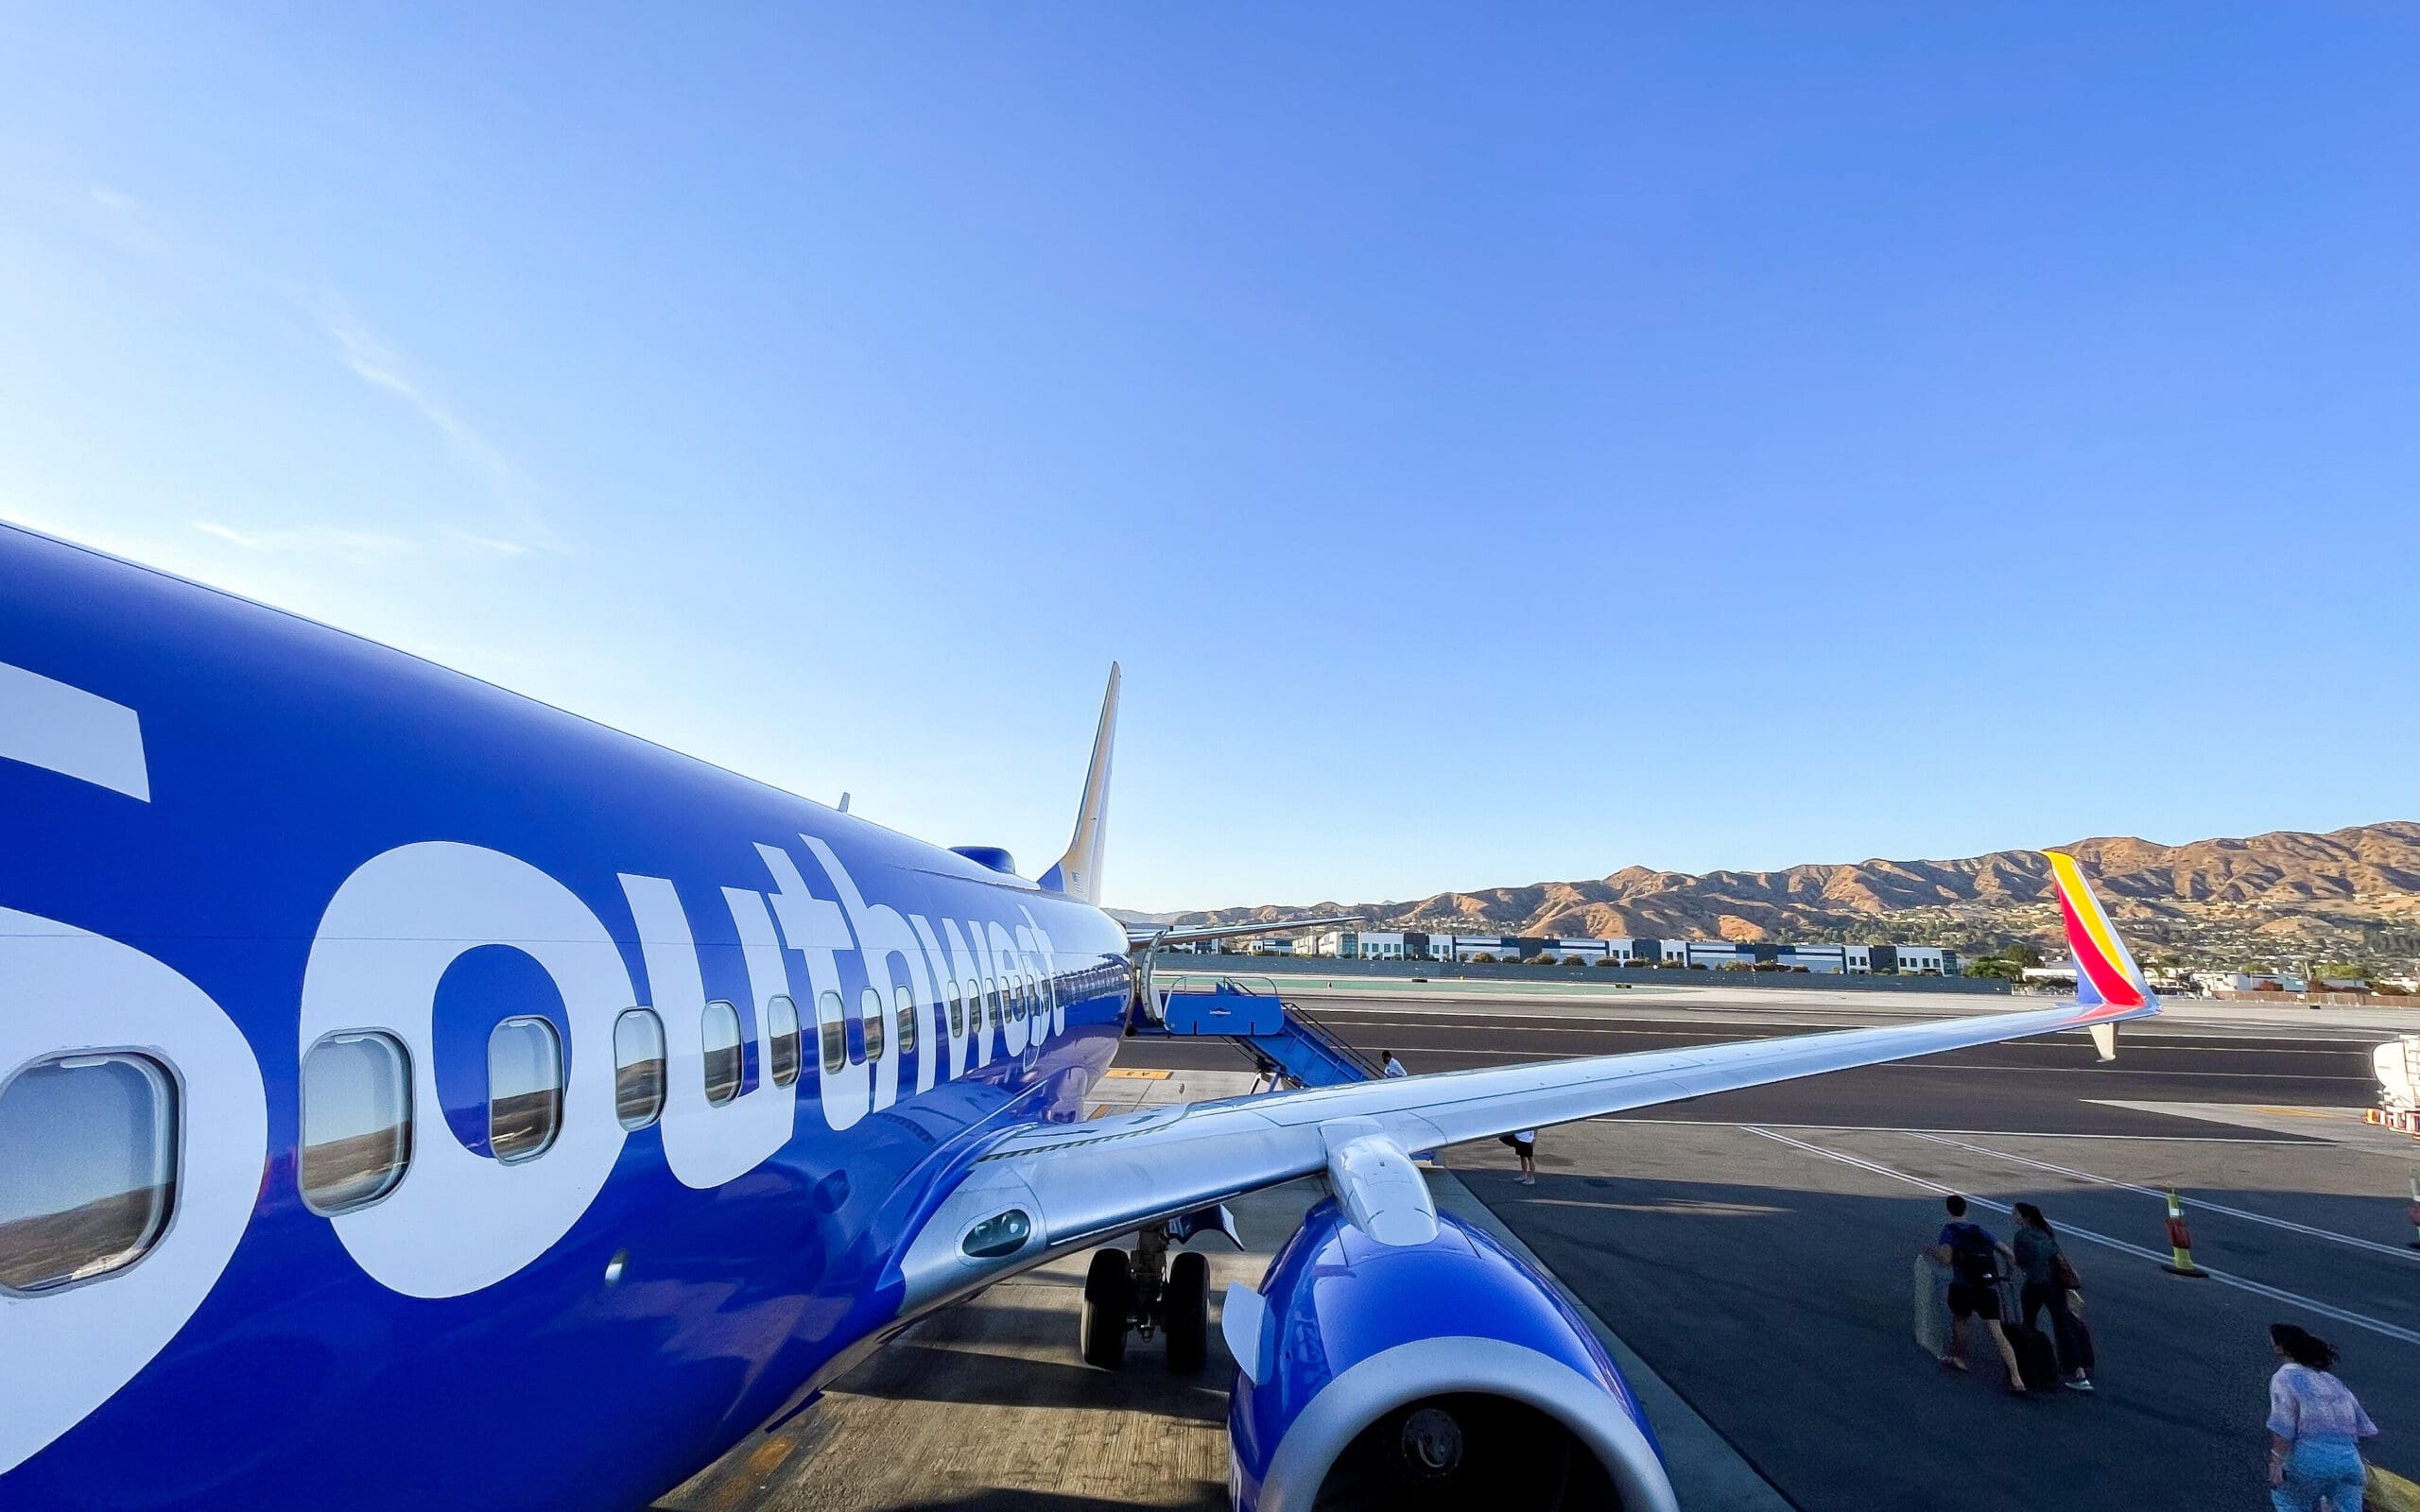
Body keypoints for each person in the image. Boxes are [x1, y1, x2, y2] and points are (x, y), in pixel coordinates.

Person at [2266, 1322, 2377, 1511]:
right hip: (2349, 1461)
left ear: (2280, 1348)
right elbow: (2364, 1428)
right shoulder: (2332, 1381)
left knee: (2289, 1502)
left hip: (2309, 1459)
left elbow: (2283, 1426)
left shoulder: (2284, 1378)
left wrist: (2276, 1462)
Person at [1929, 1194, 2026, 1395]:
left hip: (1963, 1286)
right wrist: (2007, 1274)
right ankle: (2017, 1378)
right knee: (1997, 1333)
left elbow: (1946, 1260)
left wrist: (1932, 1253)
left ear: (1949, 1210)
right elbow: (2008, 1253)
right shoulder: (1979, 1230)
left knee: (1960, 1321)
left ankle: (1961, 1358)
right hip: (1986, 1287)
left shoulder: (1949, 1231)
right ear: (1966, 1210)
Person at [2012, 1202, 2093, 1392]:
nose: (2013, 1216)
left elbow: (2020, 1261)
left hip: (2035, 1284)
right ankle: (2078, 1371)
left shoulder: (2022, 1236)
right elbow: (2056, 1255)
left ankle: (2031, 1364)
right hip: (2055, 1285)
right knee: (2063, 1325)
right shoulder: (2045, 1232)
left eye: (2015, 1213)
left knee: (2028, 1323)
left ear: (2025, 1217)